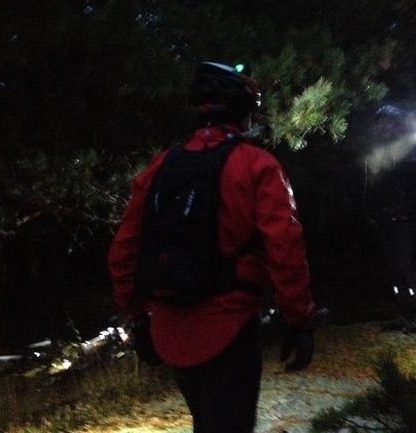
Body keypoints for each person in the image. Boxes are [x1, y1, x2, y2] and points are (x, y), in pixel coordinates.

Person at [108, 61, 316, 432]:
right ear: (243, 112)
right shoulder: (257, 165)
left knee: (205, 421)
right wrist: (298, 320)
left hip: (169, 328)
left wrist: (139, 318)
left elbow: (123, 251)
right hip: (229, 328)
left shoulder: (160, 166)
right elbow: (285, 249)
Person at [364, 104, 416, 334]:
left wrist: (407, 208)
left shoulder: (410, 148)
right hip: (385, 218)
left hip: (405, 218)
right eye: (380, 123)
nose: (383, 127)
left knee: (407, 265)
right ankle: (404, 314)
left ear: (396, 125)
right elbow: (372, 187)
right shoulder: (377, 150)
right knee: (393, 267)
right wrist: (373, 211)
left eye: (388, 122)